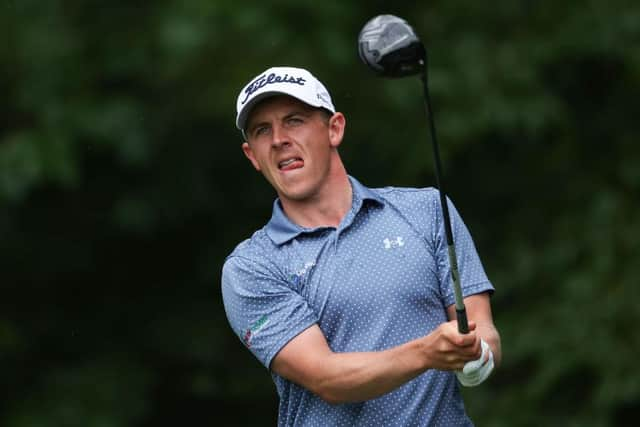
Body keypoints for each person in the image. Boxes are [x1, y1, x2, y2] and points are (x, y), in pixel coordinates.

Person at [221, 66, 501, 426]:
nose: (278, 139)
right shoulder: (252, 266)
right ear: (253, 155)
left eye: (294, 120)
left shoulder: (427, 211)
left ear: (334, 128)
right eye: (262, 130)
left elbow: (482, 327)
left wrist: (478, 355)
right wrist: (428, 353)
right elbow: (326, 378)